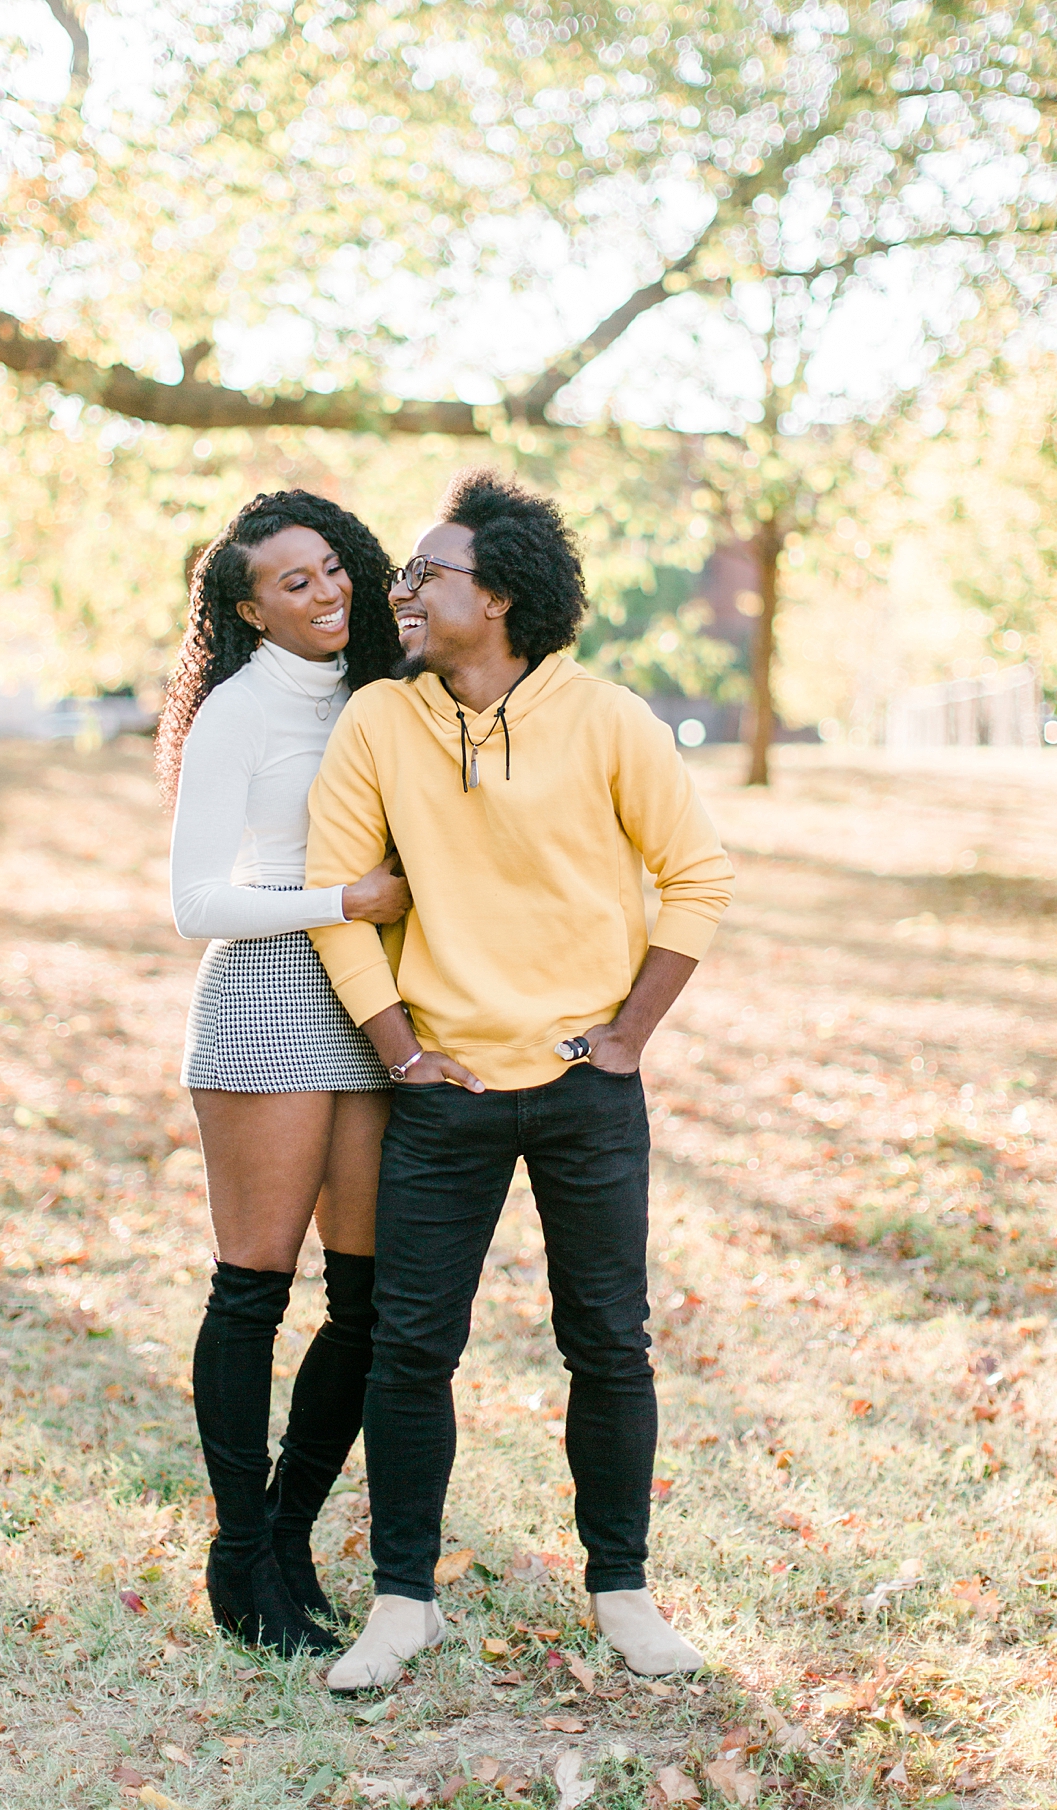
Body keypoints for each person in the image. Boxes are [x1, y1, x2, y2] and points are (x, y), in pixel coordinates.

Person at [303, 470, 736, 1690]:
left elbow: (697, 875)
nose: (397, 591)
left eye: (421, 575)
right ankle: (402, 1603)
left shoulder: (608, 720)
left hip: (584, 1089)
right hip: (443, 1092)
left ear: (492, 597)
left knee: (609, 1342)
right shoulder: (381, 723)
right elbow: (335, 900)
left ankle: (623, 1590)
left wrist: (631, 1035)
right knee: (407, 1348)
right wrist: (400, 1048)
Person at [157, 489, 412, 1657]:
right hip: (268, 998)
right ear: (249, 608)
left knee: (363, 1299)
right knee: (254, 1287)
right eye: (292, 584)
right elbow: (193, 903)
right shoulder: (238, 713)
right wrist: (336, 900)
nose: (324, 594)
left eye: (332, 570)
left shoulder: (382, 695)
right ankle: (233, 1556)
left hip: (373, 1004)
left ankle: (288, 1532)